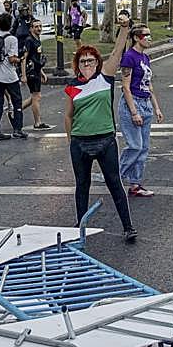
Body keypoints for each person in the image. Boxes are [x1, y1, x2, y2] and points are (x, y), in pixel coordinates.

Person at [63, 34, 137, 241]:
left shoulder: (105, 78)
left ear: (97, 63)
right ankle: (80, 227)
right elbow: (68, 116)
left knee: (114, 183)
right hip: (80, 142)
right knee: (82, 185)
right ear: (77, 65)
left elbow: (116, 51)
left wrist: (124, 29)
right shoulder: (72, 86)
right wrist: (71, 142)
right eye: (83, 60)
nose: (87, 64)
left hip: (105, 140)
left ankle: (128, 227)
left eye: (91, 60)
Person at [118, 23, 162, 198]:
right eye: (146, 35)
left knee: (143, 148)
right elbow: (126, 87)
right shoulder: (129, 57)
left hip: (146, 103)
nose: (149, 38)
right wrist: (134, 112)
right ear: (137, 38)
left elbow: (149, 85)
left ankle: (135, 184)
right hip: (132, 103)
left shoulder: (145, 58)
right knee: (135, 146)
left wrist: (156, 107)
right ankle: (116, 177)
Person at [0, 12, 26, 141]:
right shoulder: (12, 39)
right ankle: (18, 129)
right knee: (17, 101)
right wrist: (21, 59)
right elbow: (12, 58)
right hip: (9, 75)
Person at [20, 19, 51, 129]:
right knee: (36, 96)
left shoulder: (37, 40)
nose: (39, 28)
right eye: (36, 26)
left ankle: (16, 110)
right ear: (31, 28)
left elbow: (36, 58)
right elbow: (24, 58)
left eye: (40, 26)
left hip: (36, 70)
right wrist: (23, 75)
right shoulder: (29, 40)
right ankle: (37, 122)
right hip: (31, 72)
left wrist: (41, 71)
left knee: (35, 96)